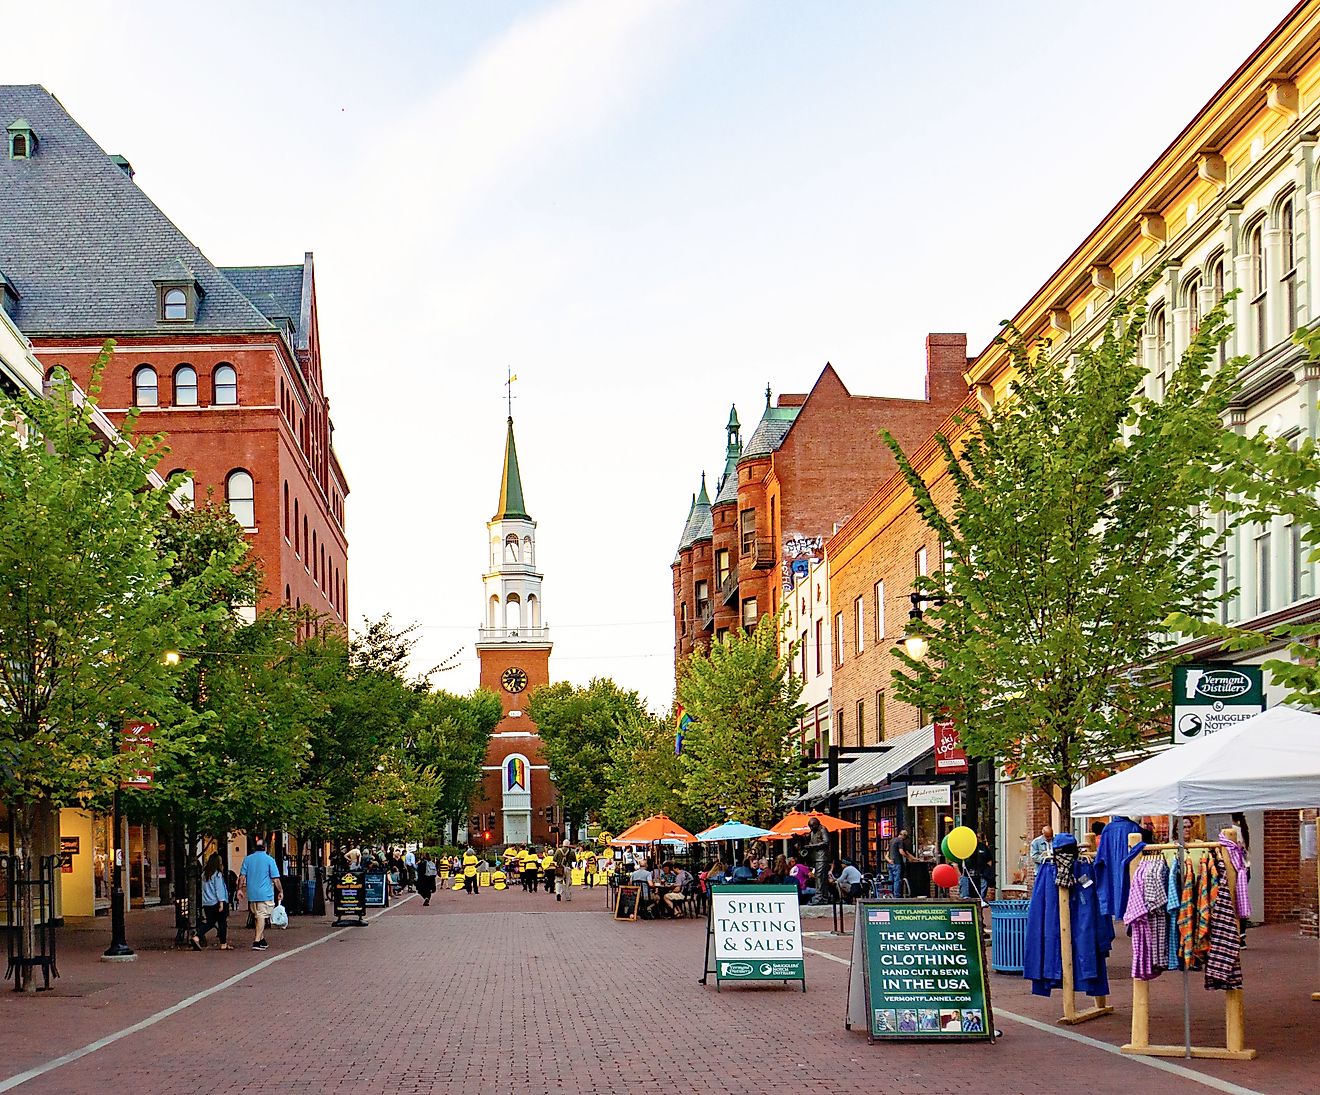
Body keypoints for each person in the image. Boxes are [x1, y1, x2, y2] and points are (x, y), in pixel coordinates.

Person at [237, 837, 282, 952]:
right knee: (262, 916)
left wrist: (240, 889)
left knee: (258, 916)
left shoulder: (248, 859)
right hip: (265, 894)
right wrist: (280, 891)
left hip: (252, 894)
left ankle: (262, 940)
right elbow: (276, 879)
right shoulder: (269, 860)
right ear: (265, 848)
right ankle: (257, 941)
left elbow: (242, 876)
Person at [192, 853, 232, 950]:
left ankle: (197, 936)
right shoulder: (217, 875)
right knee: (222, 923)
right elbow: (219, 889)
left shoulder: (204, 875)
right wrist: (222, 902)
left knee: (210, 922)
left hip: (207, 902)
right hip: (217, 902)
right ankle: (223, 943)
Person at [805, 817, 832, 904]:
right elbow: (809, 839)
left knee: (820, 877)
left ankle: (820, 897)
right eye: (810, 827)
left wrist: (812, 846)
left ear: (817, 824)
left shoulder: (822, 829)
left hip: (822, 858)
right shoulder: (813, 831)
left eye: (812, 826)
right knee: (820, 877)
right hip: (817, 858)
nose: (811, 828)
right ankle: (823, 896)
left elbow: (826, 842)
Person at [888, 829, 916, 897]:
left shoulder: (892, 840)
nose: (905, 839)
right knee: (897, 880)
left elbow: (888, 851)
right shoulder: (900, 841)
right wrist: (909, 858)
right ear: (903, 835)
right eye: (905, 837)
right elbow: (902, 852)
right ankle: (896, 895)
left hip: (890, 863)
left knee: (890, 880)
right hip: (897, 863)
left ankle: (889, 894)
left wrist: (914, 858)